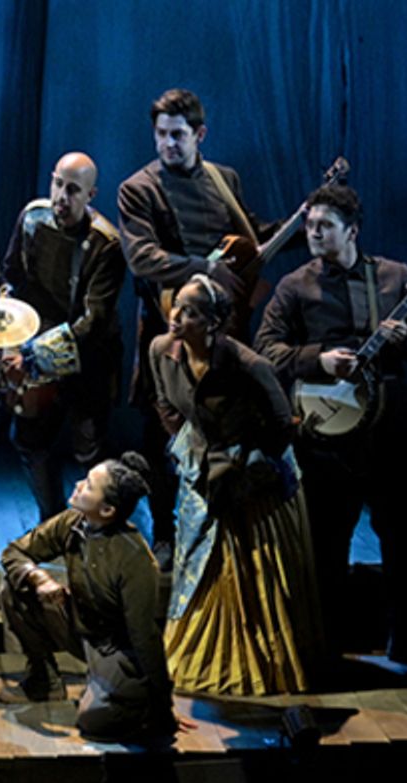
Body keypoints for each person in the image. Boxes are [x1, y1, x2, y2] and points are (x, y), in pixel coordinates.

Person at [254, 185, 407, 671]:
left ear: (352, 231)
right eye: (311, 225)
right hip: (329, 434)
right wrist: (317, 359)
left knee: (402, 538)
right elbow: (266, 350)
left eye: (325, 226)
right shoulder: (295, 286)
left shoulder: (394, 276)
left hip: (391, 426)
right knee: (327, 544)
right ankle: (326, 648)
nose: (314, 234)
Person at [117, 88, 280, 567]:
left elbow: (249, 236)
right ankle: (164, 534)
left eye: (178, 135)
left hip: (222, 332)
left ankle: (226, 533)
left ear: (200, 135)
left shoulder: (222, 178)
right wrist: (203, 270)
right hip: (167, 333)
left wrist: (298, 224)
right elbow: (142, 258)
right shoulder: (138, 188)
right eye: (161, 135)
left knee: (228, 428)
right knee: (162, 432)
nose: (168, 144)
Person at [151, 276, 323, 695]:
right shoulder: (162, 350)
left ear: (213, 323)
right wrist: (190, 446)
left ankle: (260, 664)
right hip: (205, 469)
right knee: (200, 565)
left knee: (253, 575)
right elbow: (163, 402)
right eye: (177, 306)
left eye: (190, 311)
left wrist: (245, 464)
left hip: (254, 480)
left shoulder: (249, 365)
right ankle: (198, 653)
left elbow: (282, 427)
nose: (177, 316)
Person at [0, 453, 181, 742]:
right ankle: (44, 679)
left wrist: (164, 706)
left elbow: (144, 636)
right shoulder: (73, 522)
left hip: (112, 648)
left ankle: (134, 701)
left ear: (107, 510)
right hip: (77, 624)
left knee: (94, 722)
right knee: (14, 587)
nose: (79, 485)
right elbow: (14, 553)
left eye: (90, 486)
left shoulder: (135, 559)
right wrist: (38, 577)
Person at [1, 152, 126, 522]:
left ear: (91, 195)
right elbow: (12, 275)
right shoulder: (32, 218)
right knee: (29, 440)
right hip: (35, 348)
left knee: (89, 447)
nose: (61, 197)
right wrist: (7, 323)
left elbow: (95, 320)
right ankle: (51, 519)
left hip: (89, 357)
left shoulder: (106, 244)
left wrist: (34, 354)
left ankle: (101, 527)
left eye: (73, 190)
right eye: (57, 184)